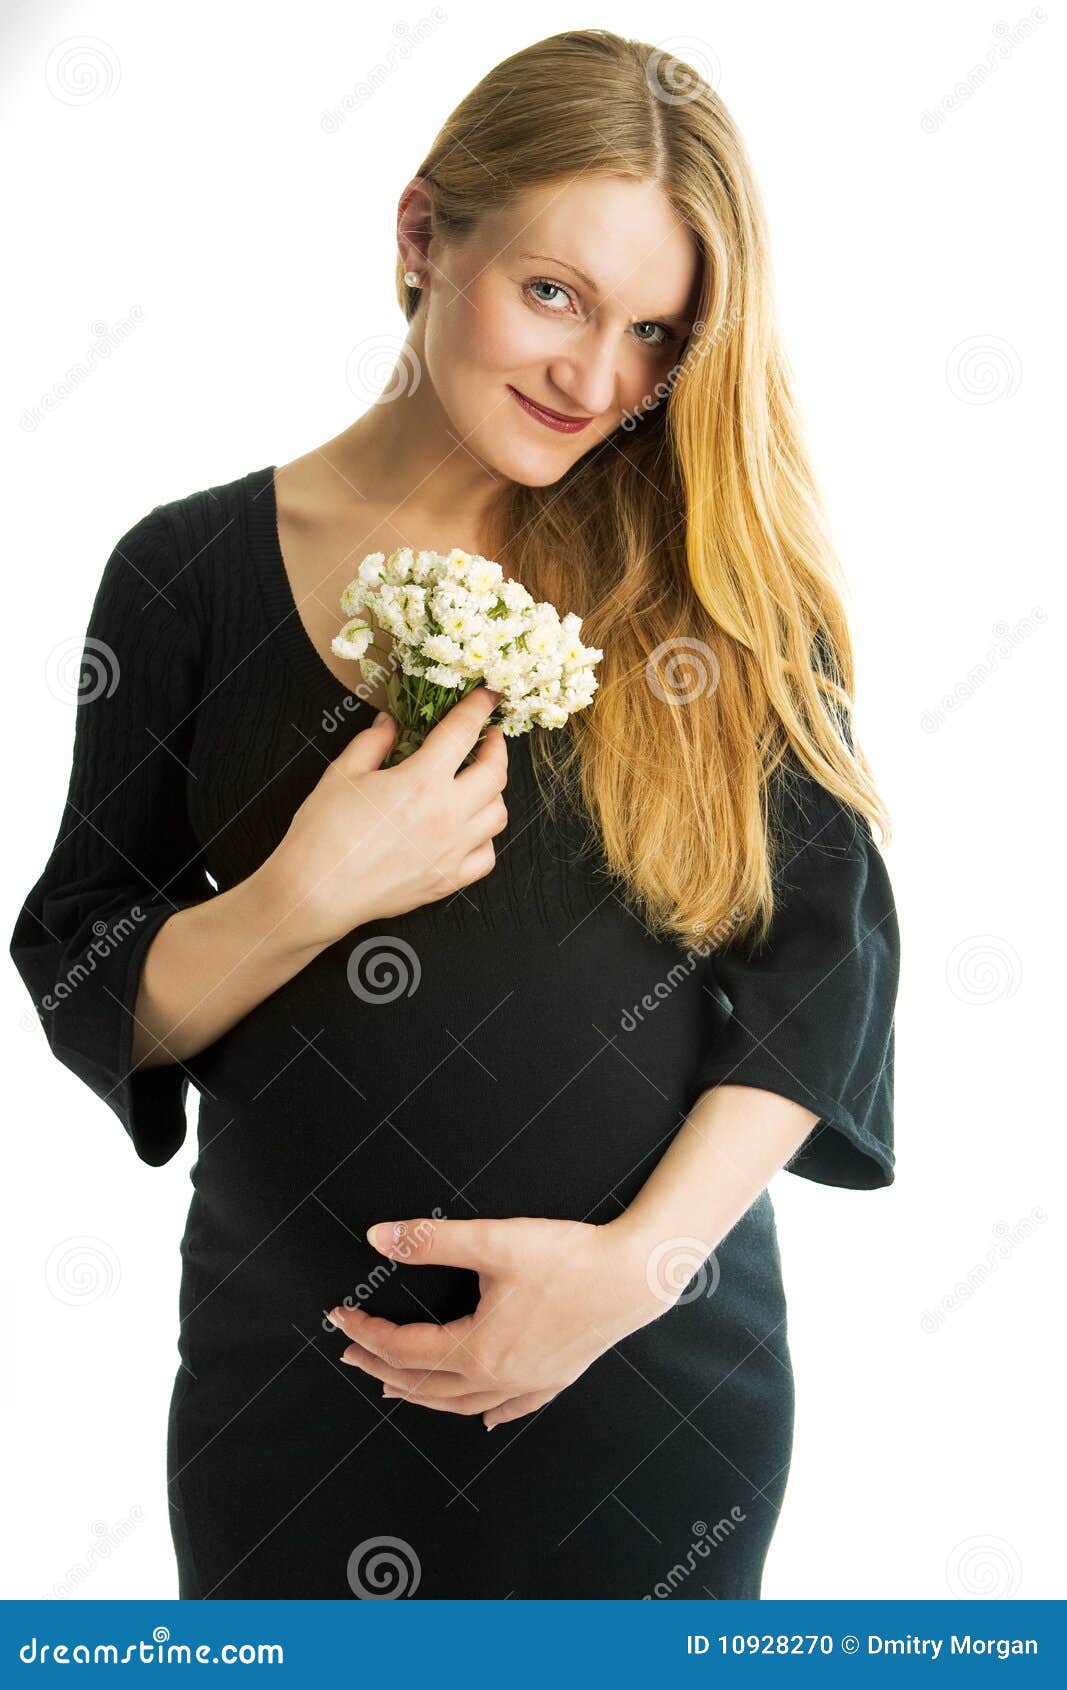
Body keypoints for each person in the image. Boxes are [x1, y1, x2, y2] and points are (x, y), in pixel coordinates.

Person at [9, 27, 900, 1599]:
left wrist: (633, 1270)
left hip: (648, 1389)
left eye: (653, 332)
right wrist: (306, 892)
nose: (595, 377)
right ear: (423, 236)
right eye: (555, 293)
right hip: (293, 1394)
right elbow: (87, 973)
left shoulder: (723, 582)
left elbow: (820, 974)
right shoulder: (182, 576)